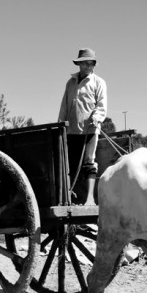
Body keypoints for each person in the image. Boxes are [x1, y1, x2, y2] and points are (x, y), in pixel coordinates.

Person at [58, 47, 107, 205]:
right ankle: (71, 198)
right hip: (71, 130)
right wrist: (61, 124)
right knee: (70, 164)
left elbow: (101, 106)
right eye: (85, 63)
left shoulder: (98, 82)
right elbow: (64, 105)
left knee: (89, 162)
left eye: (91, 63)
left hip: (90, 130)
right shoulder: (71, 82)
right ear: (79, 64)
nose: (88, 66)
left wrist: (97, 117)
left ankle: (90, 199)